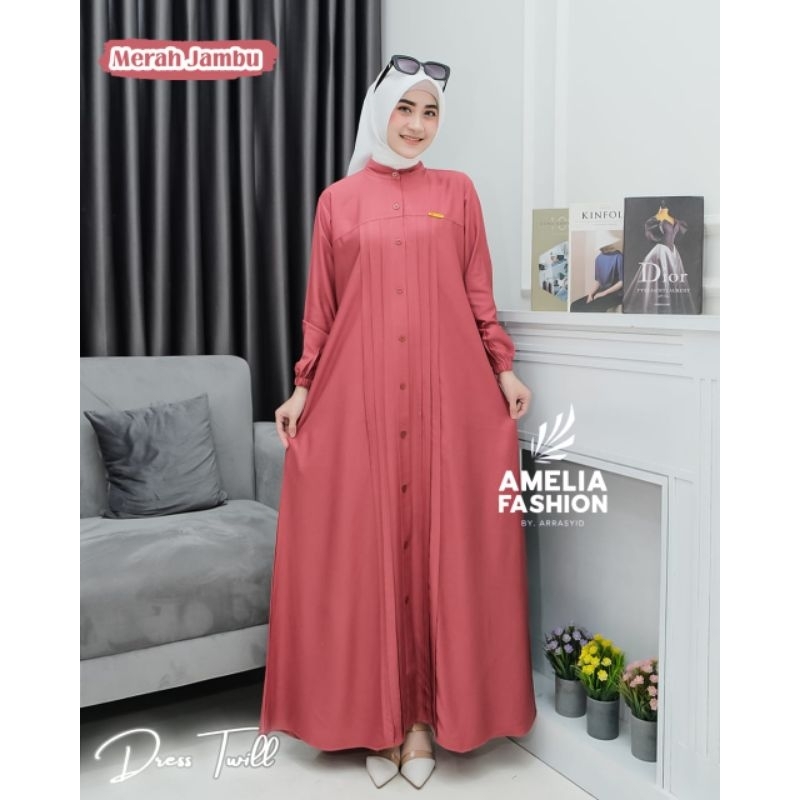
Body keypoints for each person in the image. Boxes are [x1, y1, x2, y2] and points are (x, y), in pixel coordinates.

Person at [258, 55, 537, 790]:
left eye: (430, 112)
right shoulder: (337, 202)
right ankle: (377, 722)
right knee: (368, 549)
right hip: (361, 399)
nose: (417, 125)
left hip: (446, 398)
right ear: (380, 113)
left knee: (441, 549)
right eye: (406, 109)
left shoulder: (458, 193)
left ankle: (419, 725)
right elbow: (322, 309)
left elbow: (478, 292)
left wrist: (503, 369)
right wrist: (302, 387)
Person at [569, 233, 624, 312]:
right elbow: (598, 281)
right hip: (601, 291)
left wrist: (604, 293)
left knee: (592, 307)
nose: (601, 249)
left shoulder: (619, 257)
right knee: (574, 305)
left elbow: (622, 282)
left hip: (616, 293)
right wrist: (591, 294)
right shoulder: (599, 258)